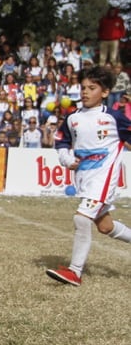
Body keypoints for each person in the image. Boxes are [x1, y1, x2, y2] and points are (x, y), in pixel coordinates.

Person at [46, 67, 131, 286]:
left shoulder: (114, 117)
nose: (85, 92)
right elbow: (62, 140)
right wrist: (65, 158)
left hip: (104, 177)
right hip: (85, 178)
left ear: (104, 92)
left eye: (92, 88)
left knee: (81, 218)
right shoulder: (73, 117)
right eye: (83, 87)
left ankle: (75, 272)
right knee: (105, 227)